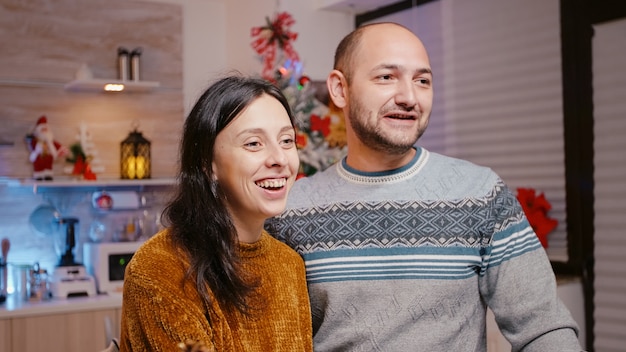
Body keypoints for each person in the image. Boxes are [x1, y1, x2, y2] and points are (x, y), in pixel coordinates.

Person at [265, 22, 583, 351]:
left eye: (422, 81)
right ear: (340, 89)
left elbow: (543, 327)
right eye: (386, 77)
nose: (409, 97)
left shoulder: (480, 193)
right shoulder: (291, 209)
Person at [119, 75, 313, 352]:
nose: (280, 159)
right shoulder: (160, 268)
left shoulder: (289, 264)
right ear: (206, 163)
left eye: (286, 140)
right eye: (253, 144)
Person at [26, 115, 69, 180]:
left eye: (45, 129)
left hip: (48, 156)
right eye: (42, 129)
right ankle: (38, 175)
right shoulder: (36, 140)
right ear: (38, 130)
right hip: (39, 156)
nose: (44, 131)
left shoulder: (50, 140)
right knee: (38, 164)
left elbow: (56, 145)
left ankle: (48, 174)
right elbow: (32, 145)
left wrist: (62, 149)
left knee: (48, 164)